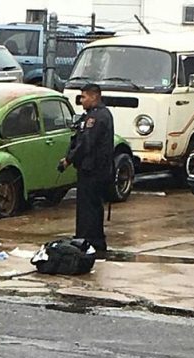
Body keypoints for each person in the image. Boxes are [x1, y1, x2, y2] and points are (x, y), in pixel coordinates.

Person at [59, 83, 114, 259]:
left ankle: (88, 240)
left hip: (94, 170)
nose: (81, 100)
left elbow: (86, 143)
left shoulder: (97, 117)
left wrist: (68, 160)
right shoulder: (91, 116)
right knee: (88, 206)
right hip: (89, 168)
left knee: (89, 207)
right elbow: (78, 138)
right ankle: (89, 239)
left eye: (84, 97)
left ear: (94, 96)